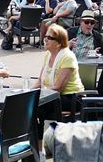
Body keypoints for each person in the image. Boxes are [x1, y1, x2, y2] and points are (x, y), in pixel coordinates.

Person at [34, 24, 84, 159]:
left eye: (49, 37)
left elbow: (58, 87)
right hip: (52, 97)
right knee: (32, 109)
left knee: (35, 108)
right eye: (45, 36)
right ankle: (39, 151)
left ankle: (40, 151)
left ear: (59, 42)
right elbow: (40, 81)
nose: (45, 39)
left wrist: (36, 96)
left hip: (71, 98)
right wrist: (26, 93)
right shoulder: (47, 55)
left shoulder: (68, 57)